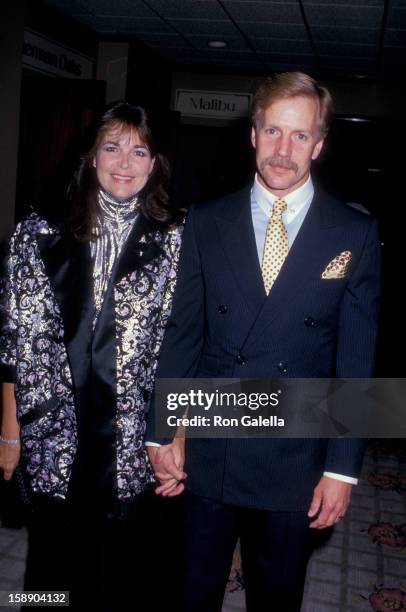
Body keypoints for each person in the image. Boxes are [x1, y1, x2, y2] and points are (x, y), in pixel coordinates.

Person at [146, 72, 381, 611]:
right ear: (253, 134)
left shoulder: (354, 233)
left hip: (295, 453)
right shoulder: (206, 220)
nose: (283, 150)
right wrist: (165, 429)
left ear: (319, 145)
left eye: (300, 136)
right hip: (209, 444)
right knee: (191, 590)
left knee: (276, 596)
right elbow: (184, 335)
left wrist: (342, 468)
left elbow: (356, 360)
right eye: (273, 131)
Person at [0, 102, 183, 609]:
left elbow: (184, 348)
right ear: (91, 156)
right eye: (112, 146)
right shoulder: (36, 233)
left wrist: (176, 434)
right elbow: (12, 341)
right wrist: (9, 431)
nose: (124, 162)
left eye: (139, 150)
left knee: (120, 574)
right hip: (52, 434)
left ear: (155, 164)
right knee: (49, 573)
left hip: (130, 443)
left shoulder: (176, 240)